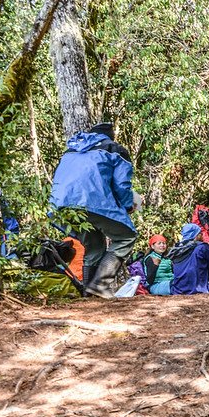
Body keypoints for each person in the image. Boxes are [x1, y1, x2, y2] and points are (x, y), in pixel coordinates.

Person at [50, 122, 139, 298]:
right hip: (92, 201)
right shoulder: (114, 149)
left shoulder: (71, 150)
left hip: (60, 205)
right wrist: (128, 205)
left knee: (94, 247)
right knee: (126, 237)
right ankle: (100, 284)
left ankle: (87, 294)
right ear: (110, 135)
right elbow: (122, 185)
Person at [168, 223, 209, 295]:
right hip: (198, 288)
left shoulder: (176, 249)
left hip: (179, 288)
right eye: (200, 233)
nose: (202, 235)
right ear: (197, 235)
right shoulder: (202, 247)